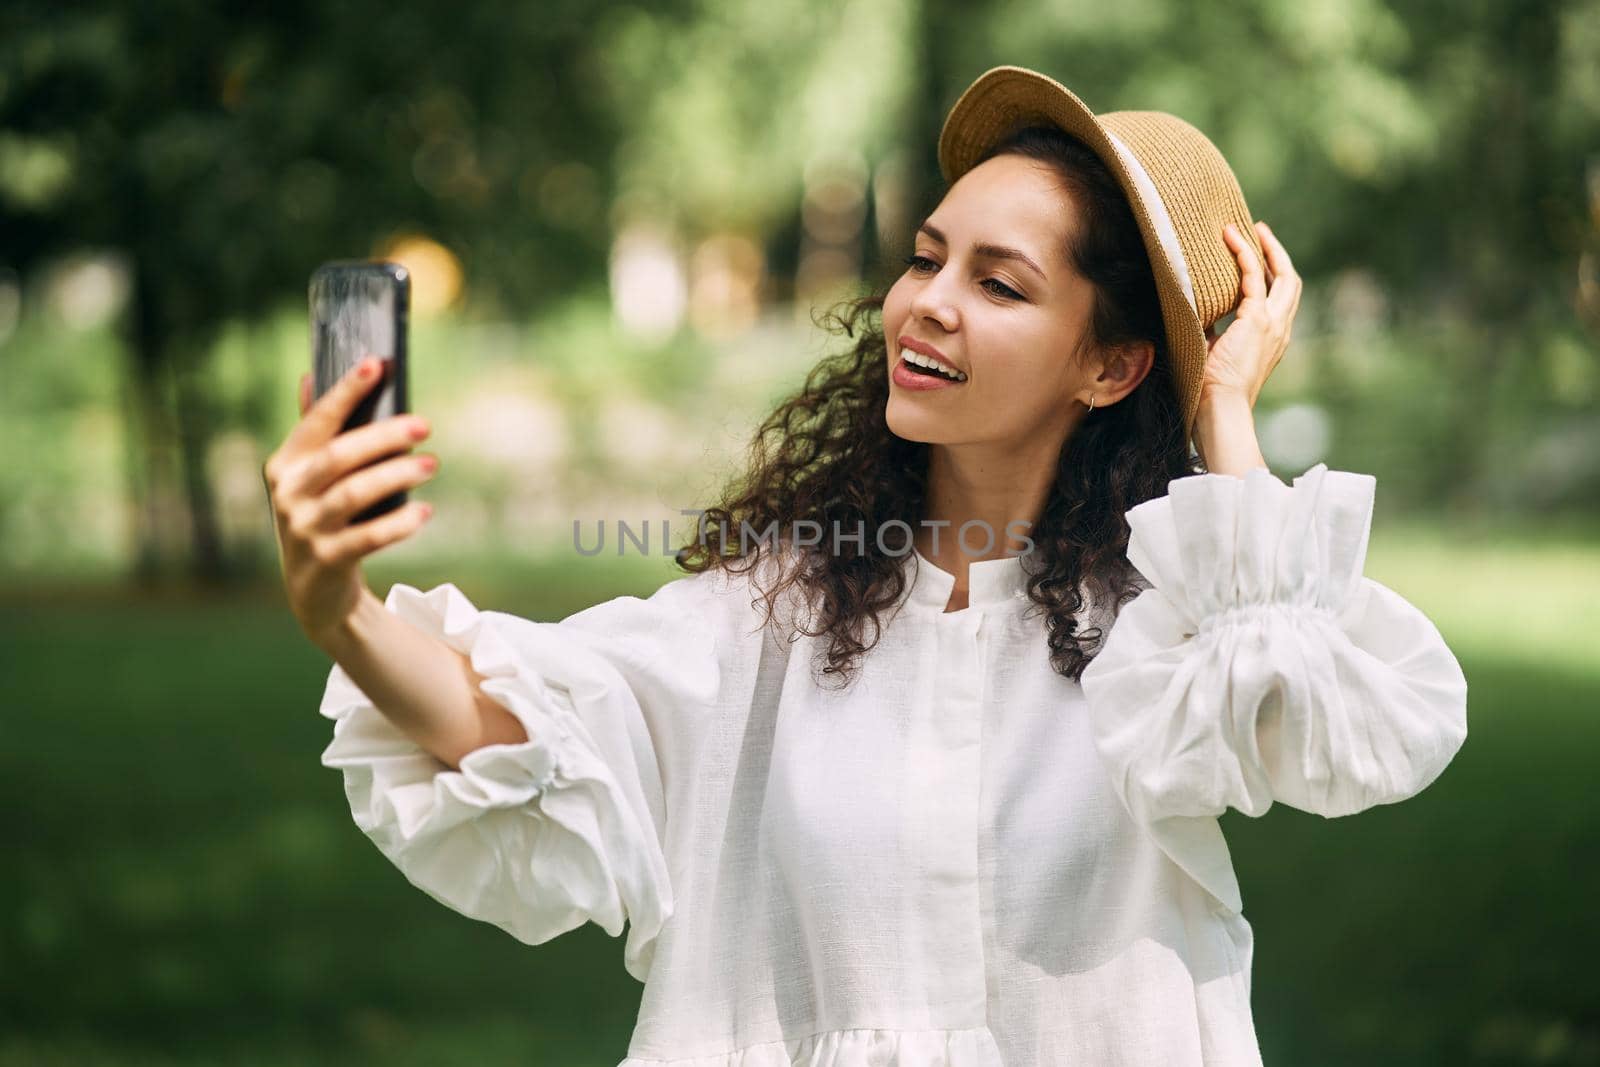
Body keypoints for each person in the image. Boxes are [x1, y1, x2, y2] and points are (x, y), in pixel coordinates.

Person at [263, 65, 1469, 1066]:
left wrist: (1223, 413)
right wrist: (342, 610)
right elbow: (514, 726)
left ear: (1108, 366)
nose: (926, 305)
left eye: (997, 283)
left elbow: (1332, 722)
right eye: (925, 258)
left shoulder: (1173, 630)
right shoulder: (781, 608)